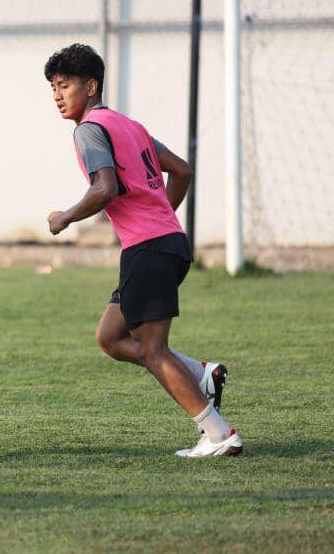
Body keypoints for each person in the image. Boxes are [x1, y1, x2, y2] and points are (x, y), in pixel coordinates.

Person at [43, 43, 243, 458]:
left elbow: (105, 188)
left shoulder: (88, 130)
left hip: (149, 249)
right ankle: (202, 374)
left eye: (65, 85)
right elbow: (182, 170)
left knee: (152, 350)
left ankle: (219, 435)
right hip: (168, 245)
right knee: (110, 336)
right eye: (53, 88)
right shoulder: (130, 126)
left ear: (91, 86)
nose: (58, 95)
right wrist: (160, 216)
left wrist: (66, 217)